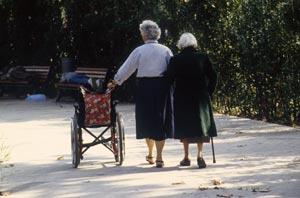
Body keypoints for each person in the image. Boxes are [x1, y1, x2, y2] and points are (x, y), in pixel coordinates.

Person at [108, 20, 174, 168]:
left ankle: (150, 153)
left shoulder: (139, 51)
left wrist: (116, 81)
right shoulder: (166, 50)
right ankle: (159, 157)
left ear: (144, 35)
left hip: (145, 87)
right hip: (162, 87)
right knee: (160, 120)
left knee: (148, 119)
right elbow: (173, 69)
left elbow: (127, 68)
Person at [167, 33, 217, 168]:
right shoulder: (203, 57)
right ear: (194, 43)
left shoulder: (175, 59)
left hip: (182, 96)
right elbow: (213, 76)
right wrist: (209, 91)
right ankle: (200, 155)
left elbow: (169, 79)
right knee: (201, 125)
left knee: (185, 125)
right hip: (201, 96)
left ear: (181, 44)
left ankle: (186, 157)